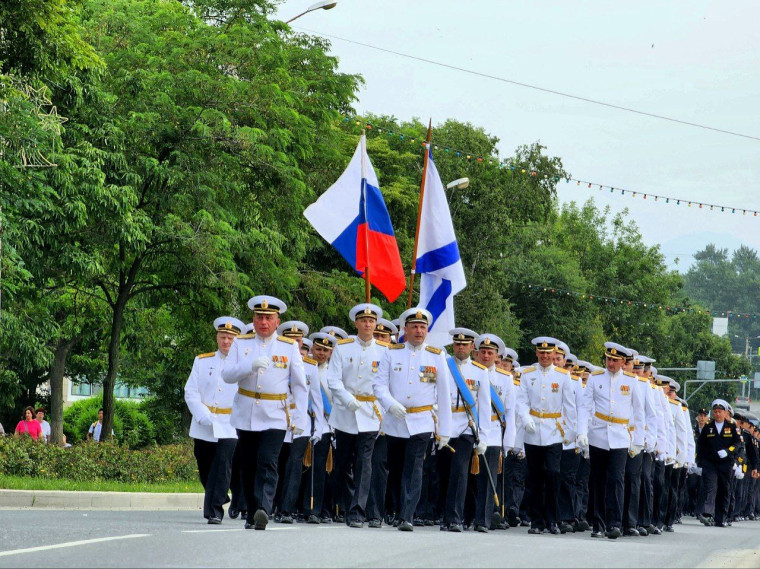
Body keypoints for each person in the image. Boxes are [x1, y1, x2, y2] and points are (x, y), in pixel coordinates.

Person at [222, 295, 308, 531]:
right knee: (248, 465)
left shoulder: (288, 346)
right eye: (259, 317)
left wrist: (299, 417)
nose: (263, 322)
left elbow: (300, 385)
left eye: (268, 318)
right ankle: (252, 511)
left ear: (277, 321)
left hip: (275, 414)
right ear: (253, 319)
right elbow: (227, 375)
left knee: (268, 462)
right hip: (247, 411)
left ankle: (264, 508)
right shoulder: (241, 343)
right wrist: (249, 365)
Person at [373, 307, 452, 531]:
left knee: (415, 467)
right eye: (414, 326)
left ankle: (408, 515)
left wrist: (444, 431)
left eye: (423, 327)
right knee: (396, 468)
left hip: (422, 421)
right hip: (395, 421)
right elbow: (379, 385)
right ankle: (397, 510)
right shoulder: (392, 353)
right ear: (405, 329)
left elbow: (444, 395)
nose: (419, 331)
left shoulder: (437, 356)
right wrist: (390, 404)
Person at [326, 303, 387, 528]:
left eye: (371, 321)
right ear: (356, 323)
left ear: (375, 324)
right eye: (363, 321)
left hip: (370, 413)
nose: (367, 324)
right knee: (342, 464)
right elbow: (333, 379)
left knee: (365, 462)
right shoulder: (343, 347)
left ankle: (358, 511)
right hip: (345, 412)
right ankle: (346, 503)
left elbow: (386, 383)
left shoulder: (384, 350)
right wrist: (345, 398)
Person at [577, 342, 644, 539]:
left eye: (615, 360)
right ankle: (598, 524)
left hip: (621, 437)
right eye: (608, 359)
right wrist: (582, 432)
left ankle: (614, 523)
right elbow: (585, 406)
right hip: (598, 435)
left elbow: (639, 412)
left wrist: (638, 439)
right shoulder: (595, 378)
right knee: (597, 480)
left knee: (616, 480)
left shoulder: (631, 381)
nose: (611, 363)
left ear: (623, 362)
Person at [184, 316, 245, 524]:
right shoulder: (202, 361)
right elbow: (190, 391)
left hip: (230, 423)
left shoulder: (242, 365)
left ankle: (214, 511)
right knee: (205, 466)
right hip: (204, 422)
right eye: (222, 337)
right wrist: (202, 415)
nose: (226, 341)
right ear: (217, 338)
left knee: (222, 465)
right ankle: (219, 495)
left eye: (230, 338)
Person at [516, 337, 576, 535]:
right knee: (534, 477)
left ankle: (552, 519)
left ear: (554, 354)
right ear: (536, 354)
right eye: (541, 353)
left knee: (552, 474)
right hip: (533, 430)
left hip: (553, 430)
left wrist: (570, 431)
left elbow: (569, 406)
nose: (544, 356)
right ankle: (537, 521)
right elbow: (521, 401)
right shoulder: (527, 374)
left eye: (548, 353)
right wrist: (525, 419)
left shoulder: (562, 376)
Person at [438, 328, 490, 533]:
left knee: (460, 472)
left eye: (465, 344)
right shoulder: (444, 366)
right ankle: (445, 515)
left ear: (472, 347)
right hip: (445, 424)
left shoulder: (480, 371)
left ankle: (455, 518)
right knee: (444, 473)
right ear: (453, 345)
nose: (461, 347)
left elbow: (484, 406)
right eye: (457, 344)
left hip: (466, 426)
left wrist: (483, 436)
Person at [275, 320, 323, 524]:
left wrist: (319, 427)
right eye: (291, 339)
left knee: (294, 465)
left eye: (298, 339)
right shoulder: (275, 360)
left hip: (300, 422)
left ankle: (286, 509)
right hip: (276, 419)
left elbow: (317, 400)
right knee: (276, 464)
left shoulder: (310, 367)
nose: (295, 343)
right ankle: (270, 505)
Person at [473, 333, 514, 532]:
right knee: (469, 477)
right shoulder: (469, 372)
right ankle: (466, 516)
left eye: (490, 352)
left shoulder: (505, 379)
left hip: (493, 432)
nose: (486, 356)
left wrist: (509, 441)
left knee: (488, 479)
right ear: (477, 353)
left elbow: (510, 411)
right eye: (483, 352)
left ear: (497, 356)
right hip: (470, 428)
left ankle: (484, 519)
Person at [303, 331, 338, 523]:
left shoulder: (334, 373)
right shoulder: (304, 368)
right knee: (303, 470)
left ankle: (318, 510)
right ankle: (302, 508)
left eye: (325, 350)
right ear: (312, 350)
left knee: (321, 471)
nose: (321, 353)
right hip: (303, 425)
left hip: (325, 426)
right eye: (318, 349)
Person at [696, 399, 743, 527]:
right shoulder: (708, 427)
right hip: (710, 463)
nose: (717, 414)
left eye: (720, 412)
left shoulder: (732, 426)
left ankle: (721, 517)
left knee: (724, 489)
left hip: (725, 463)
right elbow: (701, 445)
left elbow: (738, 444)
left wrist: (728, 451)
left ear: (725, 412)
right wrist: (699, 462)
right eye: (715, 412)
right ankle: (707, 514)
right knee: (710, 487)